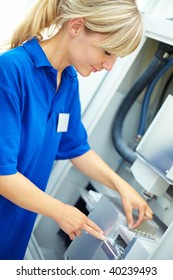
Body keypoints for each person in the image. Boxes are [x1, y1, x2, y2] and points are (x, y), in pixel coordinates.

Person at [0, 0, 153, 260]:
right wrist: (61, 210)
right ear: (77, 26)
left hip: (13, 233)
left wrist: (122, 186)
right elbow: (3, 175)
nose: (109, 66)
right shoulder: (11, 71)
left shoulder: (67, 80)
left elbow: (76, 148)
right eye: (107, 52)